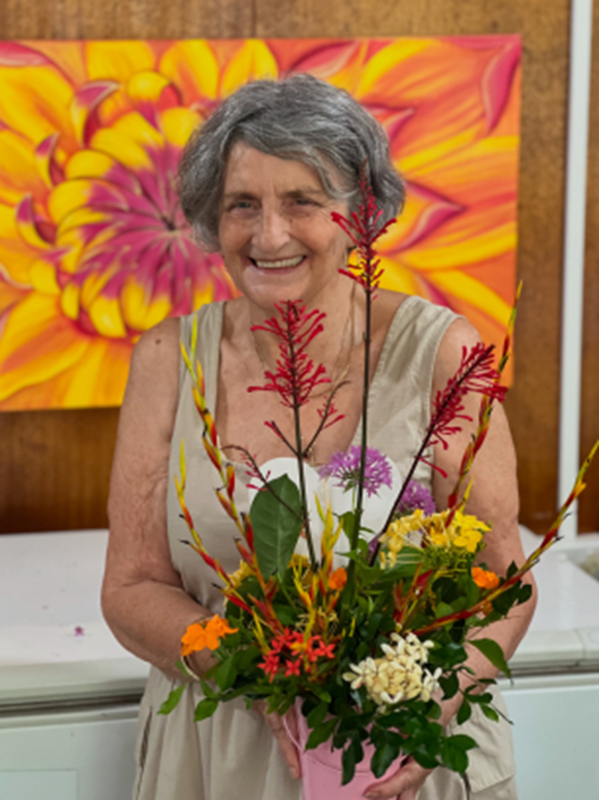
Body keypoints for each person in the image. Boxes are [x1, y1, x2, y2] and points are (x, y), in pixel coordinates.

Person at [102, 74, 535, 800]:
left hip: (400, 756)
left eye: (302, 201)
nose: (268, 235)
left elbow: (504, 584)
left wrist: (434, 702)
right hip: (221, 756)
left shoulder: (443, 354)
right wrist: (256, 670)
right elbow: (131, 586)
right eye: (242, 204)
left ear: (361, 212)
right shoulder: (166, 360)